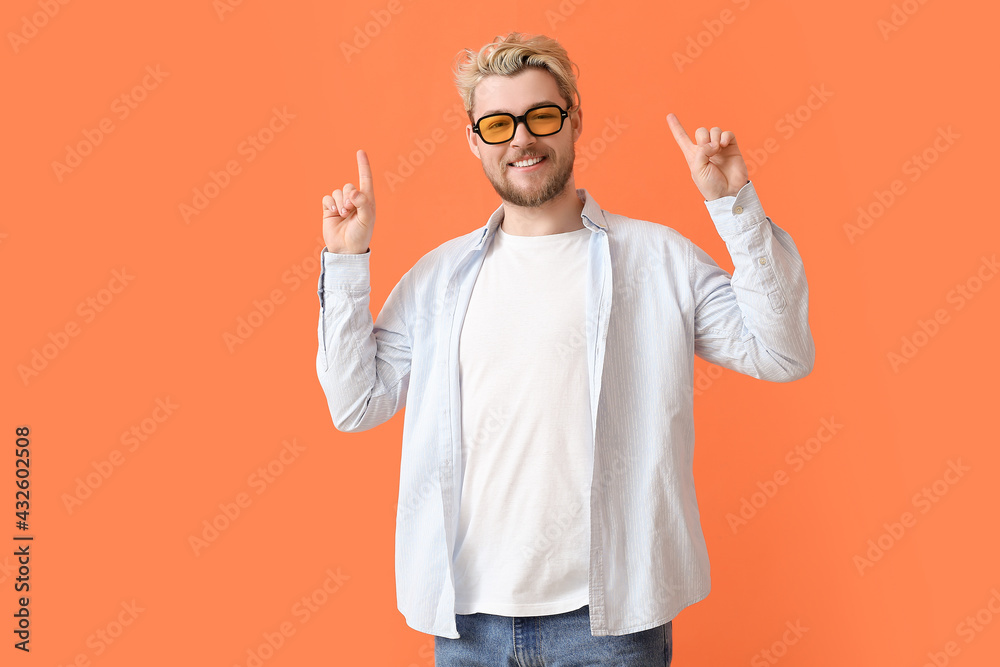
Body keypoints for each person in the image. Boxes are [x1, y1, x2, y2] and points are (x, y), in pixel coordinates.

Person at [316, 31, 814, 667]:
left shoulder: (659, 260)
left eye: (540, 116)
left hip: (611, 624)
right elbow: (355, 403)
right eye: (498, 124)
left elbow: (783, 352)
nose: (521, 139)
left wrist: (733, 205)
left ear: (574, 118)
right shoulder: (435, 280)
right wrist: (347, 257)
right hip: (470, 625)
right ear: (475, 139)